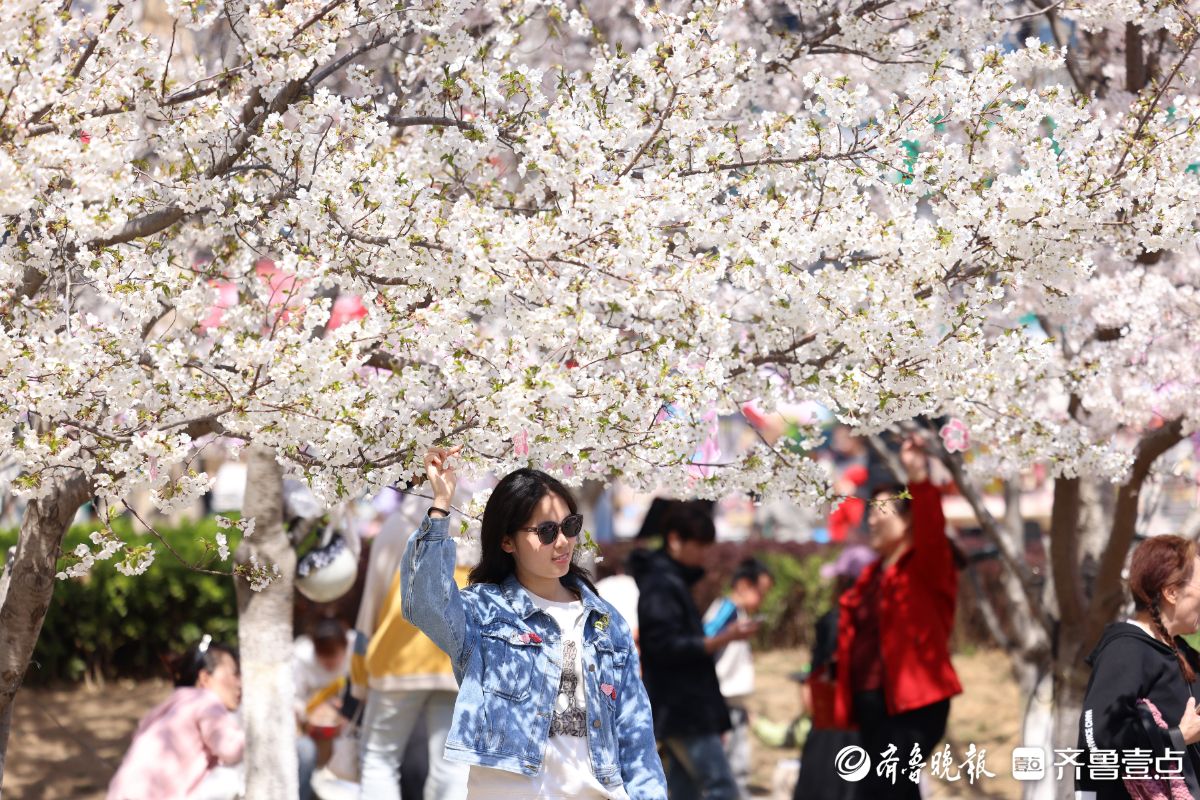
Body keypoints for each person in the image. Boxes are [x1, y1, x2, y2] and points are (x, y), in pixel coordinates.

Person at [402, 446, 668, 798]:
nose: (563, 542)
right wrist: (440, 505)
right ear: (507, 540)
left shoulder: (605, 622)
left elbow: (635, 731)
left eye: (570, 526)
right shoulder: (483, 612)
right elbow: (424, 604)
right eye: (545, 531)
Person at [833, 436, 961, 799]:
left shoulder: (925, 566)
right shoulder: (873, 574)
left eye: (879, 511)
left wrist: (917, 473)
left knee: (885, 789)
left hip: (914, 705)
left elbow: (932, 526)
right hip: (874, 705)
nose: (869, 520)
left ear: (908, 521)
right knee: (889, 790)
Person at [631, 500, 758, 800]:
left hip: (679, 706)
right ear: (675, 540)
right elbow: (663, 646)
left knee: (685, 787)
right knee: (720, 786)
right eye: (700, 545)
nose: (705, 554)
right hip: (681, 707)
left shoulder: (667, 579)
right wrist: (719, 640)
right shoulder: (661, 583)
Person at [351, 497, 471, 800]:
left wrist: (358, 668)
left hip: (397, 659)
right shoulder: (475, 522)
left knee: (379, 759)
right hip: (455, 658)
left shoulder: (398, 525)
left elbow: (372, 600)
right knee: (452, 767)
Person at [1077, 534, 1200, 799]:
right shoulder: (1125, 650)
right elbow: (1099, 741)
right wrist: (1178, 738)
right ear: (1171, 592)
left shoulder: (1182, 651)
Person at [108, 636, 244, 800]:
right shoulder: (206, 701)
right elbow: (230, 749)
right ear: (205, 678)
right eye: (235, 674)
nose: (241, 684)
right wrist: (261, 734)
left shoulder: (173, 704)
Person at [793, 545, 874, 800]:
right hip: (872, 721)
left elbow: (820, 671)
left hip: (833, 723)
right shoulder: (880, 617)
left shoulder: (834, 620)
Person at [703, 558, 774, 798]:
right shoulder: (727, 609)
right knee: (726, 763)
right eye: (761, 593)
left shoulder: (739, 613)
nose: (762, 601)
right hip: (722, 701)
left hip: (734, 703)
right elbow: (706, 638)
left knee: (738, 761)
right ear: (743, 585)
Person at [294, 617, 355, 800]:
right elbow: (294, 697)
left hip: (346, 727)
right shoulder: (301, 656)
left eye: (334, 654)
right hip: (308, 729)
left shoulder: (355, 650)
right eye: (323, 655)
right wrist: (309, 713)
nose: (329, 661)